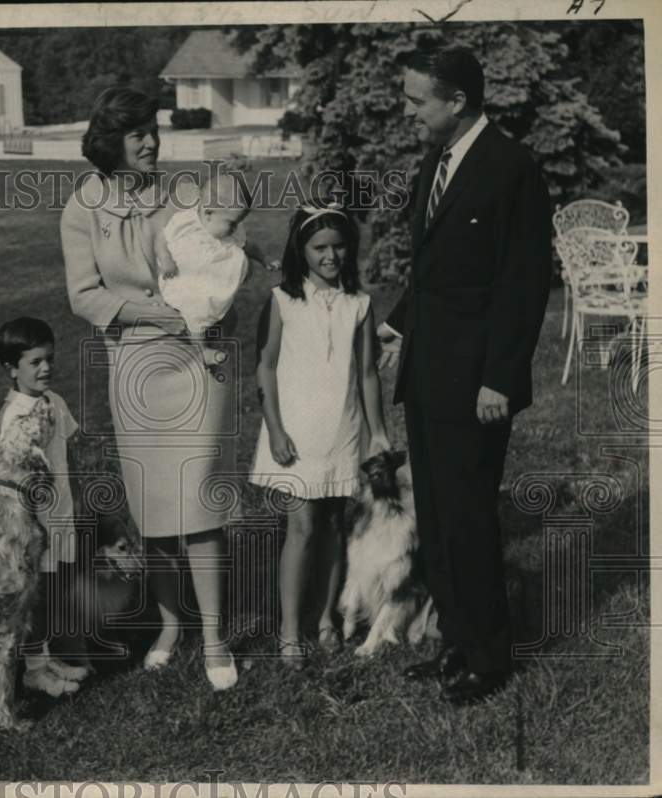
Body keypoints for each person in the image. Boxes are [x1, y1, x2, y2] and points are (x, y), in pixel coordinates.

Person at [377, 46, 551, 704]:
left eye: (417, 100)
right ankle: (456, 638)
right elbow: (435, 272)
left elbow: (523, 282)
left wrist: (500, 379)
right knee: (440, 514)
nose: (407, 110)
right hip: (426, 373)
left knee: (470, 515)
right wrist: (395, 326)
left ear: (456, 102)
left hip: (476, 382)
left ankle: (489, 656)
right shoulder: (439, 158)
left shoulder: (511, 169)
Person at [60, 86, 238, 690]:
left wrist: (208, 306)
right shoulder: (83, 207)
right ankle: (169, 625)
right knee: (155, 506)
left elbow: (220, 250)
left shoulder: (181, 194)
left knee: (200, 500)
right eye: (137, 133)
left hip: (197, 360)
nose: (152, 141)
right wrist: (154, 314)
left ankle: (214, 635)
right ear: (111, 142)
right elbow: (84, 295)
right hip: (135, 366)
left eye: (153, 130)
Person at [251, 204, 390, 666]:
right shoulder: (283, 299)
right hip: (296, 431)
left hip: (343, 428)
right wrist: (275, 428)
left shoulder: (359, 303)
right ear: (302, 250)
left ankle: (326, 617)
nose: (330, 256)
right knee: (302, 526)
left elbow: (369, 373)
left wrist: (378, 434)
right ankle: (290, 630)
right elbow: (266, 368)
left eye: (338, 247)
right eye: (319, 248)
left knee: (333, 524)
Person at [0, 316, 90, 697]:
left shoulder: (54, 402)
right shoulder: (13, 416)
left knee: (54, 592)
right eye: (35, 362)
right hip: (35, 525)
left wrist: (76, 497)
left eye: (49, 358)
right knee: (34, 598)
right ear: (12, 369)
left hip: (61, 516)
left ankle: (47, 659)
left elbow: (69, 452)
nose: (46, 367)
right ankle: (33, 669)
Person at [155, 171, 273, 371]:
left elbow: (248, 245)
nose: (235, 229)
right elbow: (161, 238)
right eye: (232, 223)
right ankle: (202, 351)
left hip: (210, 280)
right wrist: (166, 259)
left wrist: (264, 259)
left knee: (222, 311)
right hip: (183, 279)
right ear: (208, 213)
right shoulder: (185, 221)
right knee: (195, 310)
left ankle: (216, 340)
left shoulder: (228, 228)